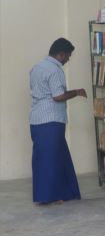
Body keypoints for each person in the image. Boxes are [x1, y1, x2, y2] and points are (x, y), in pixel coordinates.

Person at [29, 38, 85, 205]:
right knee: (52, 160)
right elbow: (58, 96)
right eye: (68, 56)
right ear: (61, 54)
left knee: (46, 158)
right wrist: (76, 92)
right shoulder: (55, 70)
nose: (68, 59)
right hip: (51, 120)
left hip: (37, 119)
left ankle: (60, 193)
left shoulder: (36, 67)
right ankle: (50, 196)